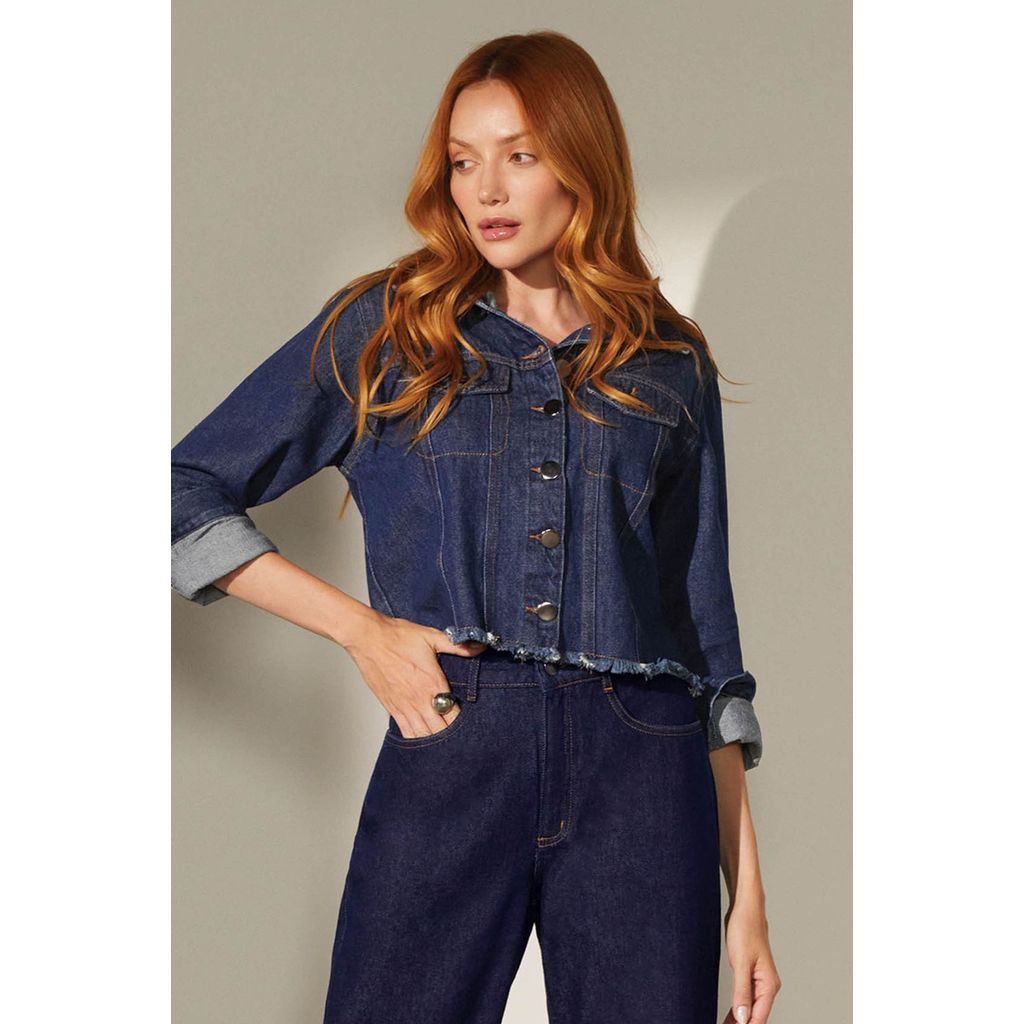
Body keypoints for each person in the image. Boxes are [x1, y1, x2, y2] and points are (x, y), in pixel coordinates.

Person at [171, 29, 782, 1024]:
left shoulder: (669, 361)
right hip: (454, 739)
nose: (486, 189)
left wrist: (745, 896)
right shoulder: (390, 327)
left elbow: (704, 639)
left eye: (520, 155)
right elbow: (181, 488)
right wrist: (363, 632)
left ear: (582, 163)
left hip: (642, 767)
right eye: (463, 161)